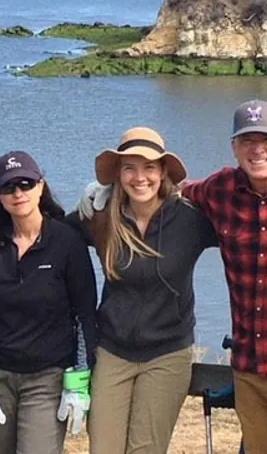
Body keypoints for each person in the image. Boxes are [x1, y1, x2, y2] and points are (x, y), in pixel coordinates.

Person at [80, 101, 267, 454]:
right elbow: (171, 193)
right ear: (234, 147)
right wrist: (107, 193)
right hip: (252, 371)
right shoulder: (219, 192)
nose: (257, 149)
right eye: (247, 141)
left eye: (266, 139)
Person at [70, 127, 218, 454]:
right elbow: (47, 236)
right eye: (129, 168)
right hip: (112, 351)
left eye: (149, 167)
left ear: (163, 172)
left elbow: (245, 226)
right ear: (118, 175)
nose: (140, 177)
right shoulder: (100, 216)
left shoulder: (190, 219)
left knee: (145, 449)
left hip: (167, 353)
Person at [0, 150, 97, 454]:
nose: (18, 193)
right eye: (8, 187)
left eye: (26, 184)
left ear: (41, 186)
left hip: (47, 378)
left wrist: (79, 380)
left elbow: (84, 316)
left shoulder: (67, 242)